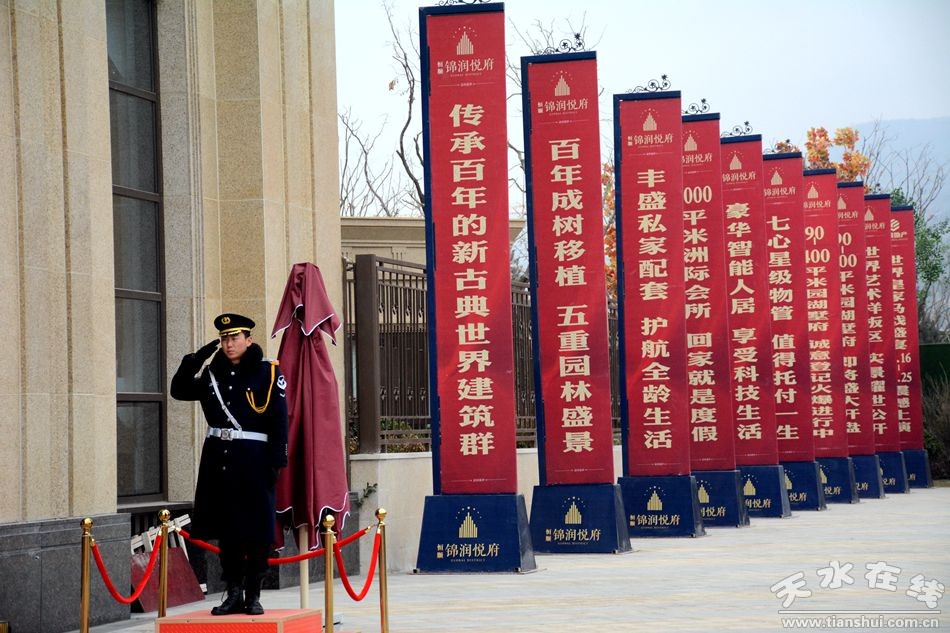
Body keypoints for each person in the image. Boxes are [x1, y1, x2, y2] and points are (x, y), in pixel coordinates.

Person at [171, 313, 289, 616]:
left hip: (255, 461)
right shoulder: (212, 373)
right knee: (229, 532)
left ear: (248, 340)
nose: (228, 344)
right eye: (224, 338)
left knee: (258, 531)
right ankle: (234, 593)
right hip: (219, 461)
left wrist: (276, 462)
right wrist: (195, 359)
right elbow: (179, 390)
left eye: (234, 338)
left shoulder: (267, 372)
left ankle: (253, 594)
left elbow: (279, 420)